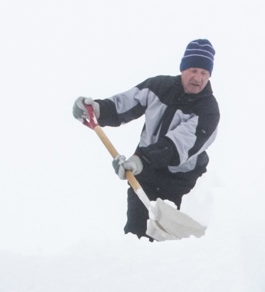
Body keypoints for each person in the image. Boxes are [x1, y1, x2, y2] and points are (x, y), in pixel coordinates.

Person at [73, 39, 220, 238]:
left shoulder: (208, 112)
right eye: (194, 70)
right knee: (135, 237)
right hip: (144, 179)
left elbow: (175, 147)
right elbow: (123, 105)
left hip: (182, 187)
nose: (198, 78)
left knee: (168, 246)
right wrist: (97, 110)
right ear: (183, 68)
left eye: (204, 73)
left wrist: (139, 160)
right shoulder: (158, 87)